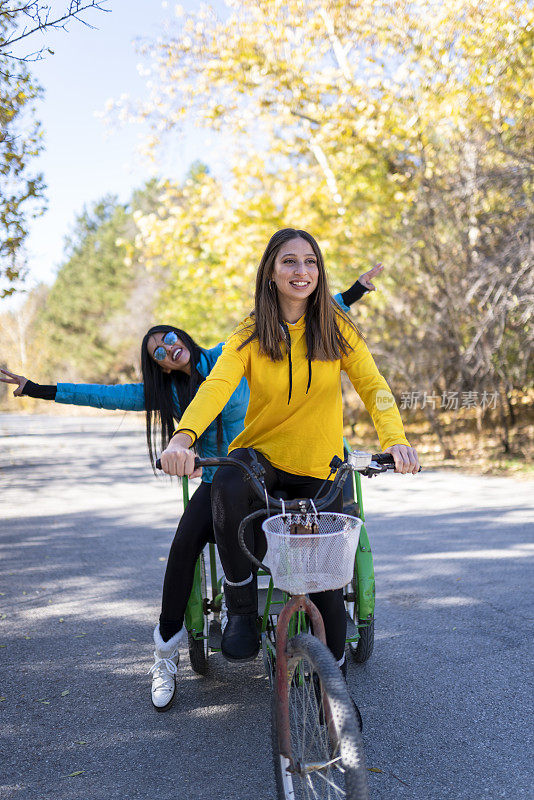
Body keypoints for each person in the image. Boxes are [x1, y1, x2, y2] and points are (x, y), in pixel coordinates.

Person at [0, 264, 381, 710]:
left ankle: (325, 658)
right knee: (183, 546)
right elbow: (101, 393)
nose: (167, 348)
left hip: (272, 467)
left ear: (183, 336)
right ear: (157, 364)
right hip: (224, 481)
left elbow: (308, 316)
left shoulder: (229, 351)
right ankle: (165, 652)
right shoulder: (164, 395)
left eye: (169, 337)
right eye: (158, 350)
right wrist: (36, 389)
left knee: (318, 532)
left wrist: (354, 291)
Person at [159, 229, 419, 682]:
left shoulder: (337, 328)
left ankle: (333, 693)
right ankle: (239, 605)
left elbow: (374, 386)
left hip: (319, 467)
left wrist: (394, 438)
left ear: (319, 271)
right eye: (289, 262)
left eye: (310, 262)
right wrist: (183, 436)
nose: (302, 272)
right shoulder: (250, 332)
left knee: (328, 598)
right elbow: (217, 386)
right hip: (263, 461)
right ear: (271, 273)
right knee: (229, 482)